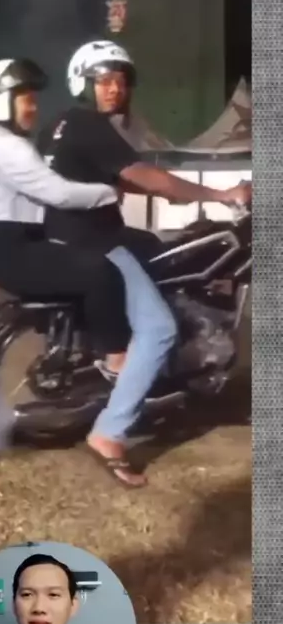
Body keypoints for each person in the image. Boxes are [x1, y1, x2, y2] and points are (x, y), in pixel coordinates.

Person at [36, 39, 252, 485]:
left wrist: (169, 194)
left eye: (120, 81)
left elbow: (109, 178)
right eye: (103, 80)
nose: (114, 89)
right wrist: (220, 194)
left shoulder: (58, 125)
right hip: (95, 242)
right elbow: (146, 177)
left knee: (157, 247)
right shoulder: (90, 124)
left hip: (65, 237)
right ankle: (110, 433)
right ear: (83, 83)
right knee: (159, 329)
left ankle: (155, 362)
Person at [0, 57, 131, 400]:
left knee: (78, 274)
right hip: (10, 248)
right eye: (26, 100)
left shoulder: (0, 145)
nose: (33, 108)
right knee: (101, 273)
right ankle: (118, 361)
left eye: (34, 100)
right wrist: (108, 192)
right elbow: (58, 193)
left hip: (8, 244)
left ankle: (86, 353)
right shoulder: (7, 148)